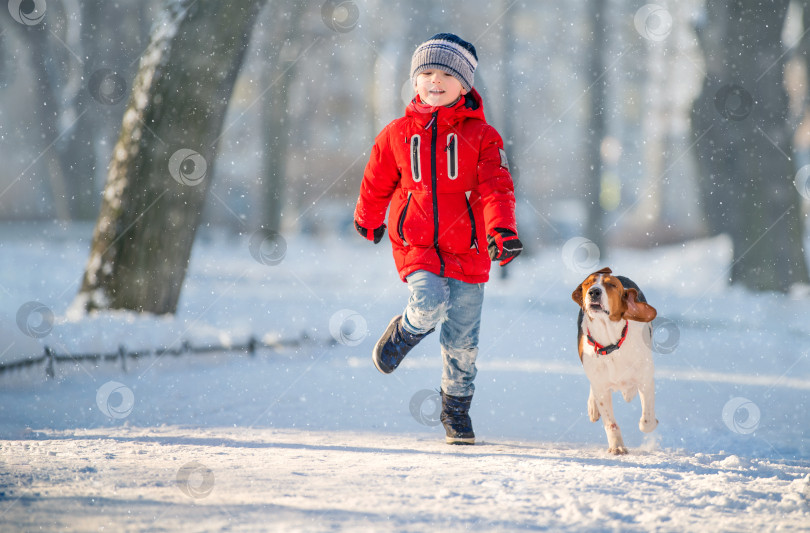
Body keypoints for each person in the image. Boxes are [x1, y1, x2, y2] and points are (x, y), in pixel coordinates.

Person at [353, 33, 521, 445]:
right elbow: (376, 181)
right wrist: (368, 217)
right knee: (428, 302)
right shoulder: (396, 133)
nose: (435, 79)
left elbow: (496, 189)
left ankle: (456, 409)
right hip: (417, 243)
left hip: (469, 249)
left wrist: (501, 230)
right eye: (426, 71)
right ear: (414, 81)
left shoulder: (484, 137)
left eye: (447, 73)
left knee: (463, 340)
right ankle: (406, 331)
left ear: (465, 85)